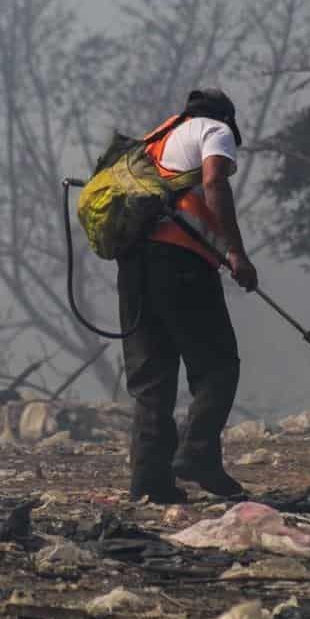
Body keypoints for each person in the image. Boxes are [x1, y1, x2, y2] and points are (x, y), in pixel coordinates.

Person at [118, 88, 258, 503]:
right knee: (217, 366)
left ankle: (150, 482)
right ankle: (198, 455)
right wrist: (236, 252)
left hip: (133, 267)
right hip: (179, 264)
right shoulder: (215, 130)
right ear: (227, 119)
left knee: (151, 379)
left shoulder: (156, 139)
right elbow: (214, 181)